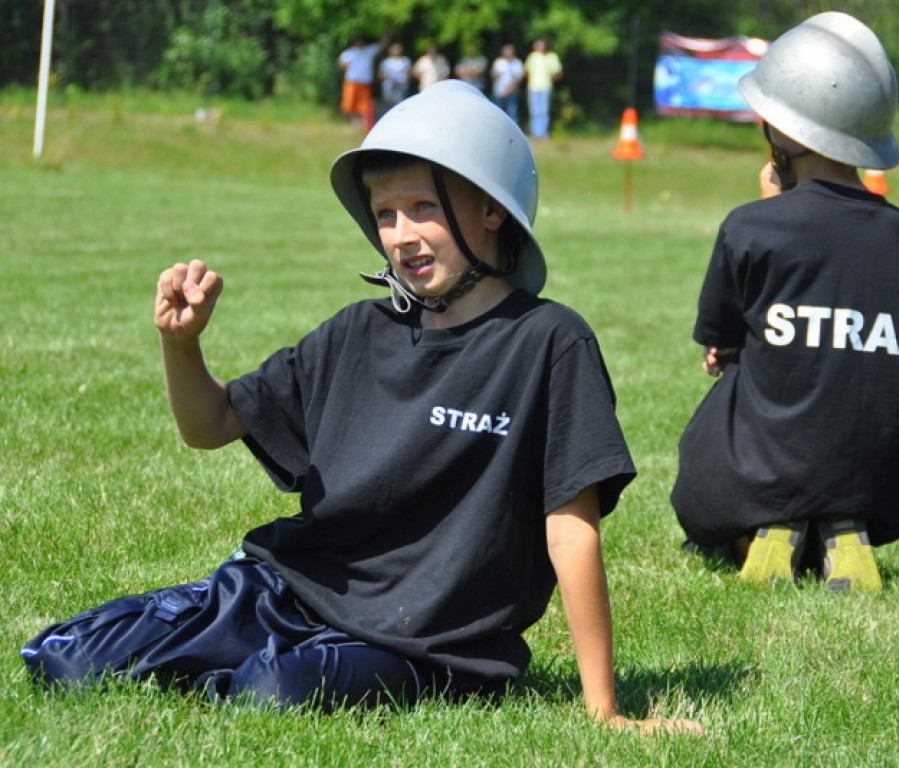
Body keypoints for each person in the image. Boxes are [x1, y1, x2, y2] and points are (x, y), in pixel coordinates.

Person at [21, 81, 703, 736]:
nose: (401, 234)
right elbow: (210, 426)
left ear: (493, 209)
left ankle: (237, 664)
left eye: (423, 208)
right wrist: (181, 346)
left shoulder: (550, 343)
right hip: (288, 590)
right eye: (385, 214)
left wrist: (605, 710)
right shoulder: (356, 333)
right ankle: (218, 644)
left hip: (427, 645)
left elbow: (570, 530)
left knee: (273, 696)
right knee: (67, 659)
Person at [670, 12, 899, 590]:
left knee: (720, 408)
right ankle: (842, 526)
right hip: (882, 482)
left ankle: (773, 523)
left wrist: (768, 206)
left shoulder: (751, 226)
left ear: (785, 131)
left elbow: (721, 341)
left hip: (766, 471)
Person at [337, 37, 381, 131]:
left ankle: (364, 124)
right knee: (349, 103)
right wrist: (344, 66)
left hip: (365, 81)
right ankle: (355, 123)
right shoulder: (349, 53)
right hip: (352, 81)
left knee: (364, 104)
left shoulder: (369, 51)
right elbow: (341, 64)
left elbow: (382, 44)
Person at [523, 38, 562, 139]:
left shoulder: (552, 57)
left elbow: (557, 72)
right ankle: (535, 133)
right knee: (534, 110)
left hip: (545, 87)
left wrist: (551, 79)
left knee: (543, 110)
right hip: (533, 87)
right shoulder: (533, 57)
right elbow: (527, 71)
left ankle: (543, 133)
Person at [490, 43, 524, 122]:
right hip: (499, 92)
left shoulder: (517, 63)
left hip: (512, 92)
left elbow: (519, 78)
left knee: (512, 112)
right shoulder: (498, 62)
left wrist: (510, 89)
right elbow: (493, 76)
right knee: (499, 112)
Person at [378, 42, 412, 111]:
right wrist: (388, 78)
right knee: (388, 105)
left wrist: (403, 81)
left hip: (401, 86)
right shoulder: (386, 62)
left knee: (400, 105)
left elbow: (409, 74)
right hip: (389, 86)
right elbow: (381, 74)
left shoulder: (405, 61)